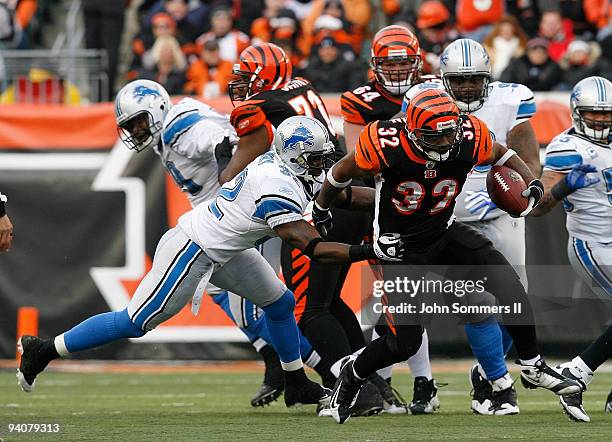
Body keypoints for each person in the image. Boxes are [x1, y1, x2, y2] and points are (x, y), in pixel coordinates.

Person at [17, 113, 407, 408]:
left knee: (280, 302)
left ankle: (296, 382)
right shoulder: (277, 184)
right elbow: (315, 249)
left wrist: (397, 202)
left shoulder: (289, 169)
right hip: (195, 248)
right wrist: (370, 251)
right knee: (136, 322)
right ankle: (44, 349)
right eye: (317, 158)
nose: (323, 165)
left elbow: (342, 195)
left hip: (228, 249)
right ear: (296, 157)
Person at [313, 87, 583, 424]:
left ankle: (532, 365)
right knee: (404, 343)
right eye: (434, 136)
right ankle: (353, 373)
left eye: (449, 133)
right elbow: (340, 171)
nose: (444, 142)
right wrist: (321, 207)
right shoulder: (386, 143)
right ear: (412, 131)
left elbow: (502, 154)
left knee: (509, 285)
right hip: (399, 247)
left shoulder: (469, 134)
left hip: (444, 231)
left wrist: (532, 181)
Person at [113, 79, 335, 407]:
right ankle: (281, 366)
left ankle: (325, 373)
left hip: (244, 220)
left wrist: (225, 171)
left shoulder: (182, 129)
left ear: (157, 109)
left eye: (138, 121)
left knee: (260, 310)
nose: (135, 130)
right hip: (226, 224)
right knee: (236, 302)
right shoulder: (168, 134)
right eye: (129, 126)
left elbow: (228, 140)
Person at [438, 38, 540, 415]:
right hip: (449, 212)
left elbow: (528, 159)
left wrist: (522, 192)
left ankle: (485, 373)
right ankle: (498, 386)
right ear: (444, 79)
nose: (466, 87)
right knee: (472, 300)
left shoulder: (512, 99)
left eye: (474, 79)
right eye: (459, 80)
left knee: (516, 306)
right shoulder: (424, 100)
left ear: (488, 77)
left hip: (499, 212)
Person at [340, 24, 439, 415]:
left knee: (411, 301)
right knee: (397, 301)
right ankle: (412, 382)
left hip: (432, 204)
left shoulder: (436, 90)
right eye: (389, 63)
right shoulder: (360, 100)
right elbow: (356, 158)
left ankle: (415, 381)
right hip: (387, 208)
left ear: (417, 61)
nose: (397, 70)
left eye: (403, 62)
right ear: (374, 64)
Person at [532, 76, 612, 422]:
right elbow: (537, 207)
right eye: (595, 114)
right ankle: (577, 370)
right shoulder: (567, 148)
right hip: (593, 244)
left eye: (608, 115)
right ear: (578, 112)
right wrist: (565, 186)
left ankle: (582, 375)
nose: (602, 121)